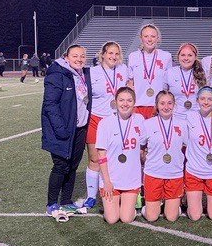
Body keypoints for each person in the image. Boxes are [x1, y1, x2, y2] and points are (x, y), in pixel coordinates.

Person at [41, 44, 92, 218]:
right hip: (62, 129)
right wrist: (61, 129)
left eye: (82, 56)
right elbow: (50, 104)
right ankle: (52, 203)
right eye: (75, 56)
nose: (79, 59)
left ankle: (66, 201)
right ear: (66, 57)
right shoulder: (58, 74)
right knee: (61, 165)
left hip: (79, 128)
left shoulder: (84, 73)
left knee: (73, 166)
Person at [80, 41, 129, 210]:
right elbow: (83, 94)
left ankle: (118, 190)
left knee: (116, 158)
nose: (113, 57)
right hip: (97, 119)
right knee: (94, 158)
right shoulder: (92, 72)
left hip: (118, 120)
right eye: (110, 53)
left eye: (116, 54)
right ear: (102, 54)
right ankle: (91, 196)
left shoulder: (124, 70)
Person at [96, 87, 146, 224]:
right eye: (121, 100)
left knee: (125, 218)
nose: (125, 104)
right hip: (111, 180)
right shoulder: (105, 123)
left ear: (134, 102)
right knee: (111, 219)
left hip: (131, 179)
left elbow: (143, 147)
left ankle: (130, 206)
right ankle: (112, 204)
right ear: (115, 102)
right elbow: (101, 155)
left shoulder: (140, 119)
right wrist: (106, 181)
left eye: (129, 100)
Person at [140, 91, 188, 222]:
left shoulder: (182, 124)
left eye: (169, 103)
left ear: (174, 105)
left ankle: (173, 205)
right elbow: (141, 147)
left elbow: (191, 145)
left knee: (171, 217)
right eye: (162, 103)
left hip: (174, 174)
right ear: (156, 105)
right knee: (151, 217)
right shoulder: (148, 124)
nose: (166, 107)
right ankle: (150, 206)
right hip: (153, 174)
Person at [184, 86, 212, 221]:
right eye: (202, 99)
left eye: (209, 99)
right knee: (194, 216)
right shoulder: (189, 116)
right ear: (197, 100)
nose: (206, 102)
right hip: (194, 171)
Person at [127, 24, 173, 119]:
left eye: (153, 36)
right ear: (141, 38)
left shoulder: (166, 56)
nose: (149, 39)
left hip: (159, 106)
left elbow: (168, 84)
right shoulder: (133, 56)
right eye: (146, 36)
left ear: (157, 38)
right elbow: (130, 84)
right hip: (138, 105)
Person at [163, 43, 206, 118]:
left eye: (190, 55)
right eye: (183, 55)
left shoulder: (202, 72)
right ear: (178, 56)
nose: (186, 58)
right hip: (175, 116)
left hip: (197, 116)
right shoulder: (169, 72)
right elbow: (164, 96)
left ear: (195, 57)